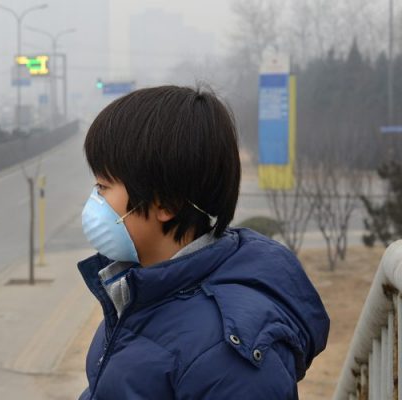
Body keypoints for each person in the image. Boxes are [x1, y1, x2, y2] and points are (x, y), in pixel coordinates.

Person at [77, 86, 329, 399]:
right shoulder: (139, 291)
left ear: (165, 204)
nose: (94, 200)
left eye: (103, 186)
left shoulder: (228, 357)